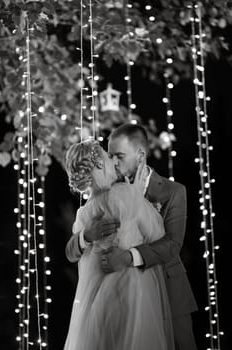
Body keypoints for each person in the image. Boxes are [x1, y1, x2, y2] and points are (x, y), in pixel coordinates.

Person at [65, 124, 198, 350]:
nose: (114, 162)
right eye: (110, 155)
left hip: (169, 290)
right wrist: (86, 235)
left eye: (119, 156)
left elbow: (172, 244)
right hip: (118, 299)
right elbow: (71, 251)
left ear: (140, 155)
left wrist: (128, 257)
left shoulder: (174, 191)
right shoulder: (109, 192)